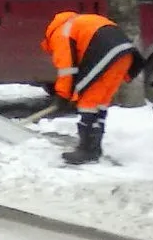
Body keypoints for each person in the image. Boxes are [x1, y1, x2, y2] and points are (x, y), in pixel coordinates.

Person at [42, 11, 145, 165]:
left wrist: (62, 95)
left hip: (106, 55)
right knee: (100, 103)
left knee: (88, 102)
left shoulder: (59, 35)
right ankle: (94, 148)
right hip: (124, 55)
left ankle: (86, 150)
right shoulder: (77, 23)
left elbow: (67, 69)